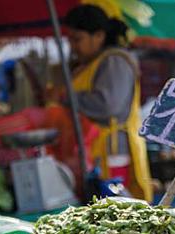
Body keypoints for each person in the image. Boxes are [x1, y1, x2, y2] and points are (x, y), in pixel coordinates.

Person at [46, 4, 152, 201]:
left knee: (116, 209)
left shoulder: (115, 61)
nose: (73, 46)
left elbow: (107, 106)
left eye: (78, 39)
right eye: (70, 40)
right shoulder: (92, 62)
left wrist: (65, 97)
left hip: (111, 153)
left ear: (99, 36)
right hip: (91, 150)